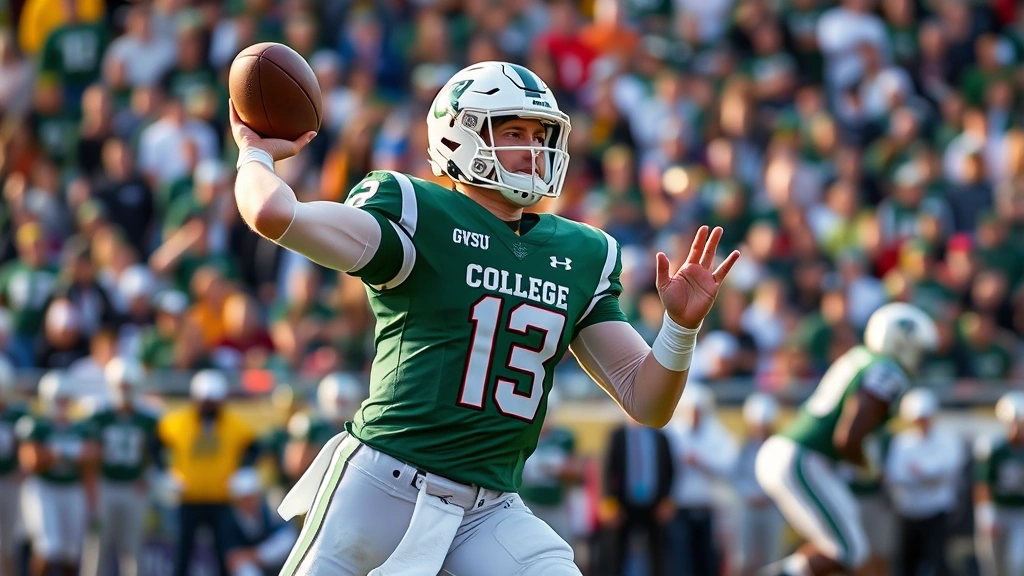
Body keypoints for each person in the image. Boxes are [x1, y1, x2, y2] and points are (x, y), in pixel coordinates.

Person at [229, 60, 740, 575]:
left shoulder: (580, 252)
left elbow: (647, 400)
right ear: (459, 135)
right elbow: (275, 214)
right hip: (384, 483)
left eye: (541, 133)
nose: (533, 147)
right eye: (514, 131)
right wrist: (255, 153)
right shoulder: (416, 212)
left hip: (488, 508)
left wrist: (679, 328)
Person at [755, 302, 938, 576]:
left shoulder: (862, 357)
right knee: (851, 551)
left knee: (839, 546)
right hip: (803, 457)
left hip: (799, 455)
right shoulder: (887, 370)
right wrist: (868, 466)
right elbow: (848, 438)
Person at [156, 369, 259, 576]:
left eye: (213, 401)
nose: (209, 405)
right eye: (206, 400)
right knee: (183, 553)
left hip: (221, 499)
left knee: (224, 554)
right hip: (188, 497)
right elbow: (155, 444)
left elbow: (254, 447)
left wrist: (243, 470)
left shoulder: (233, 425)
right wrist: (165, 472)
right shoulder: (179, 422)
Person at [82, 357, 161, 576]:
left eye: (129, 385)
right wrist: (92, 492)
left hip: (133, 487)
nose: (125, 390)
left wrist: (147, 475)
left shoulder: (149, 417)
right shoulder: (99, 414)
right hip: (105, 485)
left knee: (133, 547)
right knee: (97, 547)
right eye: (121, 385)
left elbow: (154, 454)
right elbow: (89, 457)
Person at [17, 371, 98, 576]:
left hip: (73, 489)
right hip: (44, 489)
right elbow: (31, 460)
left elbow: (93, 457)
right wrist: (64, 452)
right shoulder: (36, 424)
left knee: (71, 552)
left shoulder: (82, 426)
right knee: (48, 548)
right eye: (57, 398)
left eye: (65, 398)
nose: (62, 403)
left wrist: (93, 503)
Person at [886, 388, 963, 576]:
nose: (922, 423)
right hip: (908, 512)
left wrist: (921, 471)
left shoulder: (947, 440)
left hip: (937, 511)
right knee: (906, 564)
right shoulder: (901, 442)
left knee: (939, 562)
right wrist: (928, 474)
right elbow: (895, 474)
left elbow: (949, 468)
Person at [974, 391, 1024, 576]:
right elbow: (982, 483)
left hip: (1021, 512)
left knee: (1017, 563)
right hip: (999, 510)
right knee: (993, 566)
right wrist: (986, 514)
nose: (1016, 428)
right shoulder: (993, 447)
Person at [222, 468, 299, 576]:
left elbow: (288, 538)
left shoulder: (272, 510)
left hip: (278, 565)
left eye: (252, 496)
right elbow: (232, 558)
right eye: (245, 498)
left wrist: (256, 555)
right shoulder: (228, 521)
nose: (250, 501)